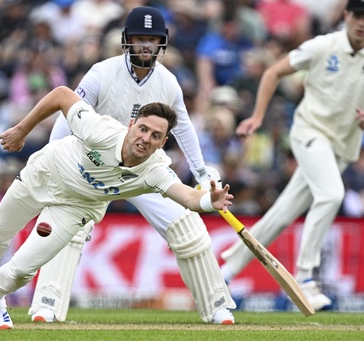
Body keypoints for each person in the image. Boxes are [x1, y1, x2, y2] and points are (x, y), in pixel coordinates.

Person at [0, 85, 235, 330]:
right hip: (46, 174)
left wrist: (211, 201)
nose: (145, 139)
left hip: (76, 207)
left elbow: (187, 198)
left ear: (163, 142)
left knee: (23, 270)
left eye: (155, 136)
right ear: (131, 124)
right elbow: (62, 94)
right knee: (0, 229)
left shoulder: (155, 170)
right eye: (143, 129)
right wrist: (22, 130)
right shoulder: (100, 130)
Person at [29, 6, 236, 324]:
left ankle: (217, 306)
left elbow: (182, 128)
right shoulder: (102, 72)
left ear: (162, 44)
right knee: (66, 227)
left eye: (152, 41)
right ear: (126, 41)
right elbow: (68, 113)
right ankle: (47, 303)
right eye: (139, 39)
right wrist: (53, 159)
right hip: (93, 162)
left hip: (144, 167)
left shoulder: (168, 82)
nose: (145, 46)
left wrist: (201, 171)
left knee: (187, 227)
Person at [220, 0, 364, 311]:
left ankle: (225, 271)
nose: (362, 23)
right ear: (346, 15)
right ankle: (306, 277)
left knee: (282, 214)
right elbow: (273, 71)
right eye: (359, 15)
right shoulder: (323, 46)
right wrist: (257, 117)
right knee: (331, 195)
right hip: (309, 133)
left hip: (341, 148)